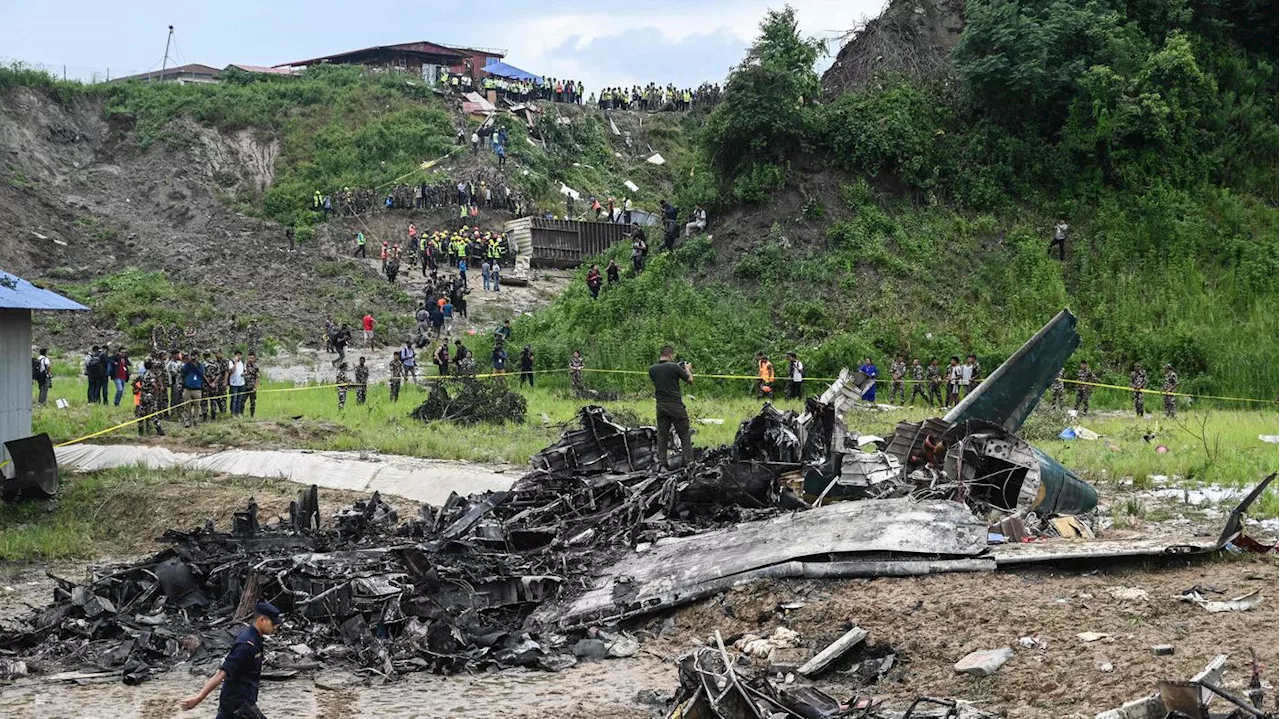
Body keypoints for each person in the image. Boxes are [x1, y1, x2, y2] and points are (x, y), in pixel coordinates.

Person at [180, 602, 282, 717]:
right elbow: (221, 673)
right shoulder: (246, 644)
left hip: (244, 702)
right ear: (262, 620)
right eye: (273, 623)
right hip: (235, 706)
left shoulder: (256, 639)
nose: (275, 627)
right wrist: (198, 698)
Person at [649, 346, 694, 469]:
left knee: (662, 436)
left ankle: (662, 464)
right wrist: (687, 369)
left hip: (661, 407)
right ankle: (689, 463)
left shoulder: (652, 370)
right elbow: (690, 380)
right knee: (684, 435)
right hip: (676, 406)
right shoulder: (674, 367)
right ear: (670, 355)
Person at [180, 351, 205, 428]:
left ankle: (196, 421)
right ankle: (187, 421)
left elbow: (201, 373)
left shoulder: (201, 365)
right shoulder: (187, 365)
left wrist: (195, 365)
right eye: (192, 356)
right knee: (186, 406)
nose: (194, 358)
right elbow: (182, 371)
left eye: (195, 357)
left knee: (197, 406)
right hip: (187, 388)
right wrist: (189, 363)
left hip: (197, 389)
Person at [227, 351, 247, 416]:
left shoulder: (242, 362)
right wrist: (235, 362)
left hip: (241, 383)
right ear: (235, 356)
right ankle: (233, 413)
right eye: (237, 355)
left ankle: (238, 413)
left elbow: (245, 370)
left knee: (240, 399)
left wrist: (244, 373)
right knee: (234, 399)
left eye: (240, 355)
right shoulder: (231, 362)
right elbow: (232, 370)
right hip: (234, 384)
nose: (239, 357)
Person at [243, 353, 260, 417]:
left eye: (252, 358)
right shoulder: (244, 366)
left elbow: (257, 377)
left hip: (252, 387)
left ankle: (252, 416)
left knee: (252, 402)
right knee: (242, 402)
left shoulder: (256, 367)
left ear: (254, 358)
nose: (250, 359)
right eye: (249, 358)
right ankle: (241, 415)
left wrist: (255, 387)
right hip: (244, 387)